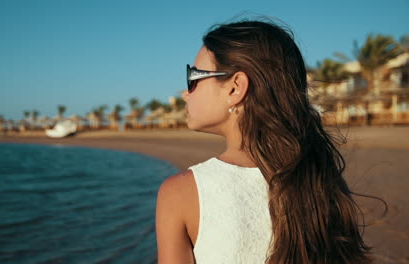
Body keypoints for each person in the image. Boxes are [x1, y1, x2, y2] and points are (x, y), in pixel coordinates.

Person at [155, 19, 371, 263]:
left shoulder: (180, 193)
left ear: (235, 88)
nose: (186, 92)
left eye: (193, 77)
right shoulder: (319, 176)